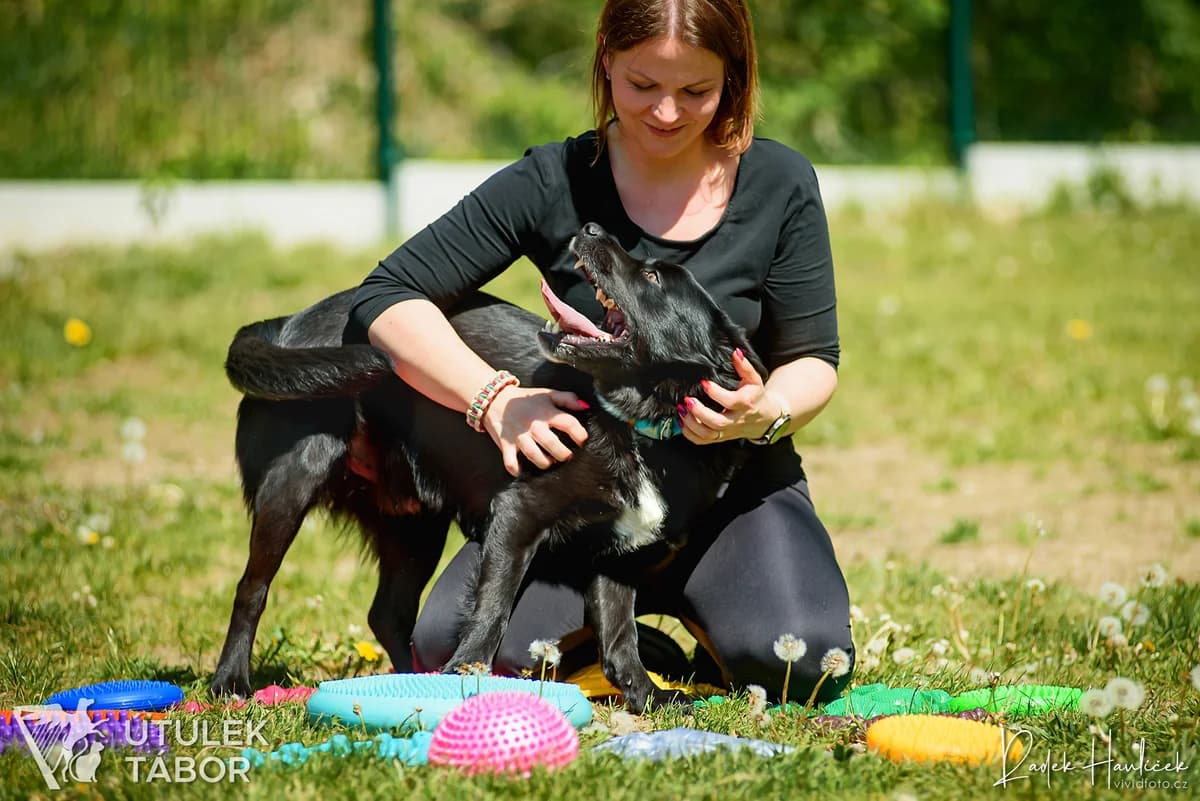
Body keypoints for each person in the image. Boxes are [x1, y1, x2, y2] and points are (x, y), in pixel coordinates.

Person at [349, 0, 854, 703]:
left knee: (802, 662)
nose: (669, 113)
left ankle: (698, 622)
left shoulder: (779, 182)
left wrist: (764, 409)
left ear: (734, 77)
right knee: (455, 652)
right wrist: (492, 398)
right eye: (644, 85)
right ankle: (620, 644)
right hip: (578, 508)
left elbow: (814, 359)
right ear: (607, 59)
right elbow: (386, 295)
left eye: (697, 91)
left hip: (729, 498)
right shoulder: (554, 179)